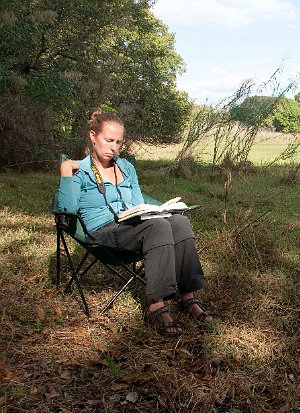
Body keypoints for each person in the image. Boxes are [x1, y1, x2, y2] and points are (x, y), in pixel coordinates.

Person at [57, 110, 214, 335]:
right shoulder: (78, 170)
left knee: (179, 222)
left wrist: (156, 212)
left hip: (129, 224)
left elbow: (139, 203)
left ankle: (187, 297)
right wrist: (65, 172)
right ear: (93, 136)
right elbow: (66, 209)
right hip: (102, 232)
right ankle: (156, 307)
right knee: (158, 226)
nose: (114, 147)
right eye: (108, 140)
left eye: (118, 142)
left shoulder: (126, 168)